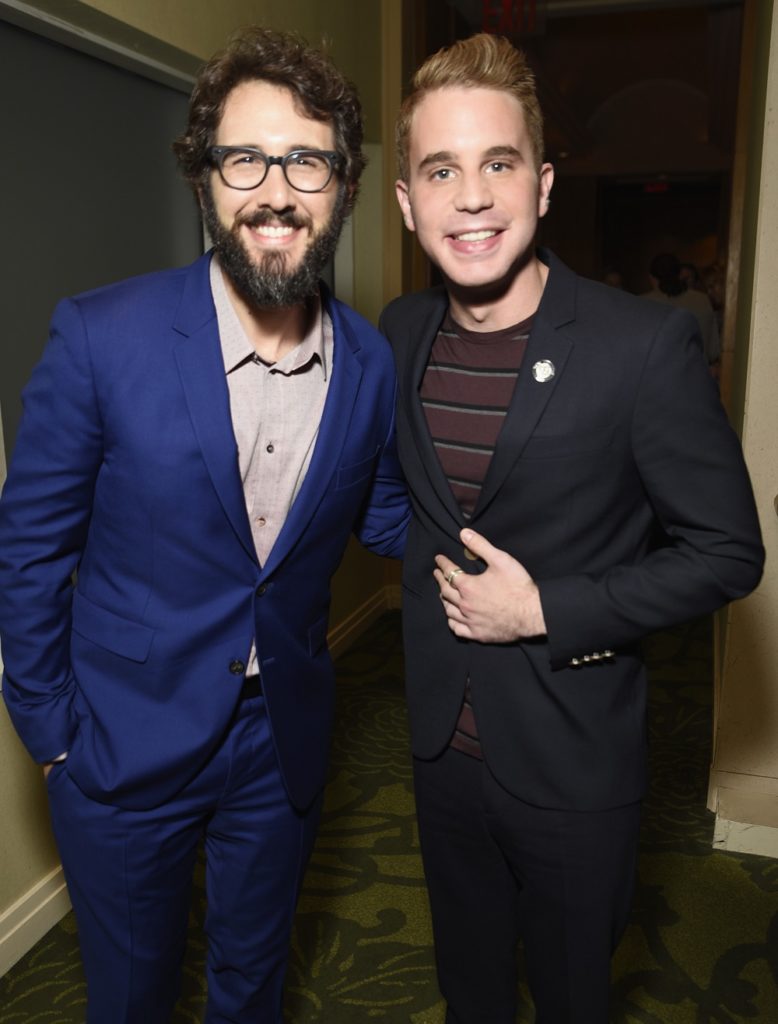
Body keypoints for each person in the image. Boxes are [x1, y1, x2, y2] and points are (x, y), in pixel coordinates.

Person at [0, 26, 408, 1024]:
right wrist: (54, 736)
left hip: (282, 744)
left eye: (306, 160)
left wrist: (548, 539)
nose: (276, 189)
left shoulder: (367, 361)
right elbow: (27, 552)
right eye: (245, 158)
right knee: (133, 997)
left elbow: (390, 516)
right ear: (205, 183)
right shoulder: (100, 335)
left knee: (251, 982)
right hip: (120, 745)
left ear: (342, 186)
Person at [379, 32, 763, 1024]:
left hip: (571, 760)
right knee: (467, 991)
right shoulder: (398, 332)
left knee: (569, 997)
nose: (471, 197)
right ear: (407, 201)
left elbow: (727, 552)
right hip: (436, 750)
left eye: (497, 163)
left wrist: (543, 608)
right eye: (441, 169)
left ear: (542, 185)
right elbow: (406, 502)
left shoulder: (642, 347)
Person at [644, 252, 721, 370]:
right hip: (696, 378)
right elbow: (714, 350)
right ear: (679, 274)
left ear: (652, 278)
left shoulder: (642, 304)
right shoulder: (702, 300)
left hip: (655, 381)